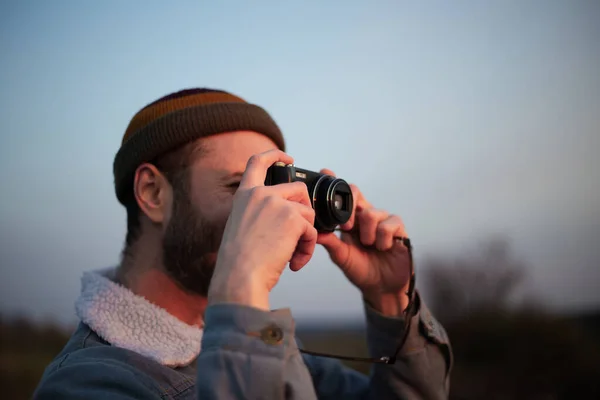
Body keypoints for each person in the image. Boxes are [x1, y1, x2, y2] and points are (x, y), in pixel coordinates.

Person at [33, 88, 452, 399]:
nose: (268, 211)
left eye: (273, 187)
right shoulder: (87, 383)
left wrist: (389, 301)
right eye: (242, 187)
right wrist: (243, 287)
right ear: (153, 193)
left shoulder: (276, 347)